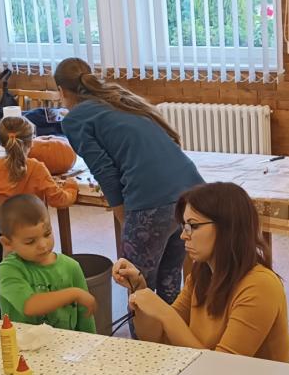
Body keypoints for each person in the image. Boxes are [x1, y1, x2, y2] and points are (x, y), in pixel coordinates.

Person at [54, 58, 203, 303]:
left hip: (152, 198)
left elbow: (104, 171)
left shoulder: (75, 118)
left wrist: (125, 217)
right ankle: (173, 327)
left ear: (61, 91)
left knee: (138, 288)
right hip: (189, 192)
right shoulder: (118, 99)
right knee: (169, 280)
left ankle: (143, 330)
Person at [113, 182, 289, 360]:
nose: (183, 235)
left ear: (227, 227)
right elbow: (157, 338)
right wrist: (139, 289)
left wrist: (165, 313)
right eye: (184, 226)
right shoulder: (202, 274)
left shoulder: (260, 286)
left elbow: (223, 367)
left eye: (193, 226)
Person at [0, 195, 96, 333]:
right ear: (8, 243)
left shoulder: (72, 267)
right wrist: (74, 294)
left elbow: (86, 320)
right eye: (30, 242)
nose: (43, 245)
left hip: (66, 344)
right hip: (23, 345)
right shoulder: (9, 269)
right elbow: (29, 306)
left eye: (47, 234)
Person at [0, 115, 79, 209]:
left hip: (6, 219)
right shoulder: (37, 168)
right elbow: (59, 200)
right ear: (31, 143)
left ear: (1, 142)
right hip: (36, 219)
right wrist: (71, 187)